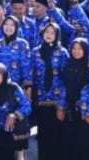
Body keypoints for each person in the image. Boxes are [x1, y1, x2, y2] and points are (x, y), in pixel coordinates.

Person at [57, 38, 89, 160]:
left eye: (80, 48)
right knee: (69, 144)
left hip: (86, 112)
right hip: (70, 110)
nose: (76, 51)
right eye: (74, 48)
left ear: (86, 50)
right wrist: (61, 107)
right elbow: (64, 87)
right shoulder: (69, 65)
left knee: (85, 146)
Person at [32, 22, 68, 160]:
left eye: (52, 32)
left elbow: (66, 79)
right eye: (47, 32)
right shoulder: (36, 52)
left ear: (57, 35)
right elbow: (32, 75)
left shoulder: (62, 52)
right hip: (41, 100)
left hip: (56, 101)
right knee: (43, 135)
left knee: (57, 136)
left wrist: (62, 103)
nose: (49, 35)